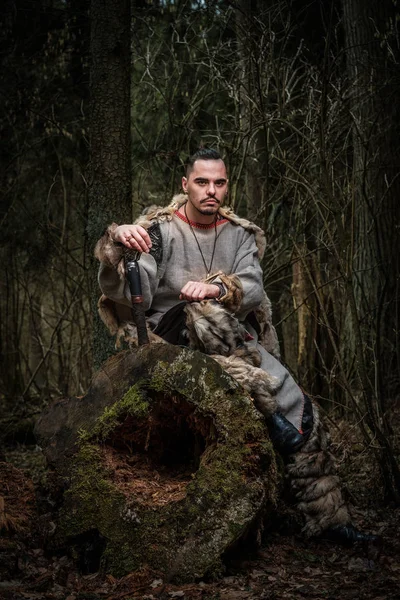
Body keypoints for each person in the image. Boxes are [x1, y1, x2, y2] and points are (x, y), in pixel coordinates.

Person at [95, 148, 377, 545]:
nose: (211, 191)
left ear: (227, 185)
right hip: (172, 344)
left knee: (302, 413)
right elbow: (128, 287)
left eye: (219, 182)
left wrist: (218, 286)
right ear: (185, 185)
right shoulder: (158, 232)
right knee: (200, 313)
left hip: (233, 344)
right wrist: (119, 244)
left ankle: (329, 523)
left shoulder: (240, 235)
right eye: (202, 182)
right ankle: (270, 414)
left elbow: (254, 289)